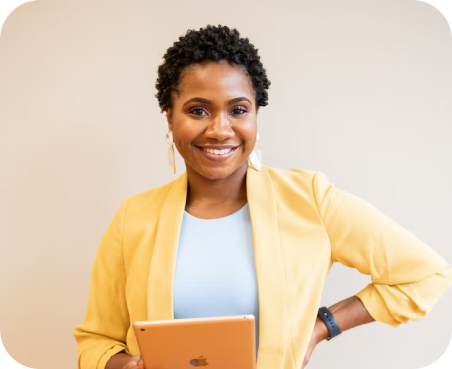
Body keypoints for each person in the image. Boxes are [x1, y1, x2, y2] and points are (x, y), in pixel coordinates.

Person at [73, 24, 452, 369]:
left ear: (255, 116)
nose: (220, 129)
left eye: (238, 110)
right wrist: (119, 366)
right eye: (198, 110)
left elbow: (425, 274)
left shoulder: (310, 199)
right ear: (170, 117)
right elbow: (95, 341)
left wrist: (323, 326)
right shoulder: (133, 217)